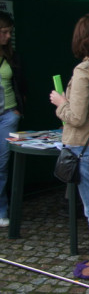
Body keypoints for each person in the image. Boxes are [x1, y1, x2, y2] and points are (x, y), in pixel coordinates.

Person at [49, 13, 89, 279]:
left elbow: (76, 117)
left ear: (81, 38)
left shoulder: (84, 70)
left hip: (84, 148)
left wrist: (59, 101)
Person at [0, 12, 27, 228]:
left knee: (2, 164)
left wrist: (18, 109)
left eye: (10, 32)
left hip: (8, 115)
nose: (8, 36)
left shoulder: (12, 55)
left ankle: (1, 209)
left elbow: (21, 83)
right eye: (4, 32)